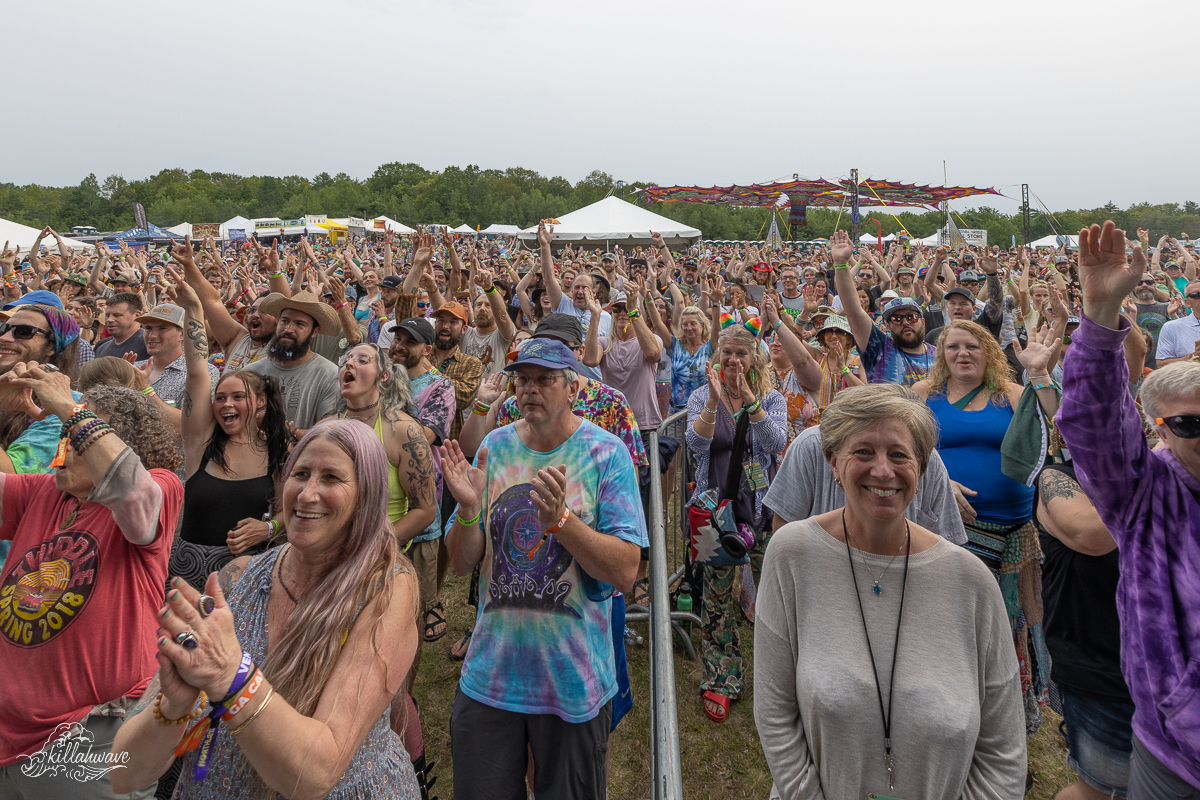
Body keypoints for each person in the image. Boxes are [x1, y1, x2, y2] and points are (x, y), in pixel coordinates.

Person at [111, 420, 422, 800]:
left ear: (367, 496)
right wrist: (174, 704)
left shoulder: (386, 590)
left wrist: (232, 677)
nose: (307, 494)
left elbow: (315, 774)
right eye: (301, 473)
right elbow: (124, 773)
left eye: (331, 478)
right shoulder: (237, 580)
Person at [754, 384, 1026, 800]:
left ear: (923, 466)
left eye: (899, 455)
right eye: (863, 452)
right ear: (833, 462)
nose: (883, 470)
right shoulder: (792, 555)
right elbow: (775, 716)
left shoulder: (971, 581)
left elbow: (1003, 753)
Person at [442, 339, 645, 799]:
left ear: (573, 388)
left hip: (571, 684)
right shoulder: (494, 447)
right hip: (491, 678)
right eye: (522, 379)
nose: (528, 389)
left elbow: (626, 572)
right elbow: (460, 561)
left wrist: (564, 524)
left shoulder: (605, 454)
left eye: (543, 379)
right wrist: (470, 511)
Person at [1057, 221, 1200, 798]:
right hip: (1177, 751)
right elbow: (1091, 424)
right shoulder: (1145, 493)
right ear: (1156, 430)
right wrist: (1099, 313)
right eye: (1189, 424)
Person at [0, 367, 184, 799]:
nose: (60, 451)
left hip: (92, 736)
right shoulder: (47, 492)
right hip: (10, 732)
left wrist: (68, 405)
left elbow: (130, 489)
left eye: (74, 436)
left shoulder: (161, 486)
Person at [912, 319, 1061, 736]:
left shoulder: (1012, 395)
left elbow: (1059, 416)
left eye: (973, 346)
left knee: (998, 626)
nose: (963, 354)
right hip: (942, 527)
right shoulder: (925, 395)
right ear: (942, 353)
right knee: (950, 623)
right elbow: (903, 444)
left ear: (989, 353)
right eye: (953, 346)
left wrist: (1039, 374)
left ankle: (997, 720)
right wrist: (937, 478)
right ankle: (945, 708)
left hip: (1008, 533)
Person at [686, 323, 787, 723]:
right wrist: (713, 402)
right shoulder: (700, 396)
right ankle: (722, 677)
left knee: (776, 594)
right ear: (717, 358)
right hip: (716, 513)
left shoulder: (771, 397)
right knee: (716, 599)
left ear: (754, 358)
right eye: (727, 353)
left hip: (763, 511)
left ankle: (780, 676)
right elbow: (696, 444)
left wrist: (750, 402)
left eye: (741, 354)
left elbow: (777, 442)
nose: (733, 360)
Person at [168, 277, 291, 591]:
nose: (226, 404)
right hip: (186, 577)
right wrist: (194, 309)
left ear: (260, 403)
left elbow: (291, 512)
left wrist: (268, 528)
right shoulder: (201, 441)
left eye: (238, 397)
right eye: (221, 397)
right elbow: (197, 369)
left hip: (249, 579)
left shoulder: (277, 450)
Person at [1033, 458, 1134, 800]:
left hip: (1173, 673)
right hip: (1102, 671)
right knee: (1100, 792)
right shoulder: (1057, 477)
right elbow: (1091, 534)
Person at [831, 231, 936, 386]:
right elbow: (853, 311)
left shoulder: (942, 355)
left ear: (923, 321)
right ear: (887, 325)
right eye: (897, 318)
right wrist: (840, 263)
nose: (905, 322)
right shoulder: (879, 349)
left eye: (911, 317)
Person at [247, 291, 341, 430]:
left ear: (314, 331)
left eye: (300, 324)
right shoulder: (251, 373)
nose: (289, 329)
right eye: (285, 321)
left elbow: (327, 432)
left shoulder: (329, 375)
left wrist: (293, 434)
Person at [130, 303, 221, 417]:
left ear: (182, 334)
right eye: (148, 328)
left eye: (162, 328)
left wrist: (145, 390)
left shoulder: (204, 373)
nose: (151, 335)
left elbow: (190, 426)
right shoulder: (134, 368)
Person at [460, 263, 516, 381]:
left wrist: (489, 289)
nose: (482, 308)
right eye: (479, 305)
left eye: (488, 306)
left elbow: (502, 316)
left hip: (492, 396)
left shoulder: (503, 335)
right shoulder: (465, 332)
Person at [1154, 277, 1199, 365]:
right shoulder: (1171, 327)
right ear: (1188, 303)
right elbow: (1161, 363)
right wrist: (1191, 357)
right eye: (1196, 295)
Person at [93, 292, 149, 361]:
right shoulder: (101, 346)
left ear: (137, 315)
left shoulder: (149, 343)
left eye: (117, 315)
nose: (109, 320)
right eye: (107, 315)